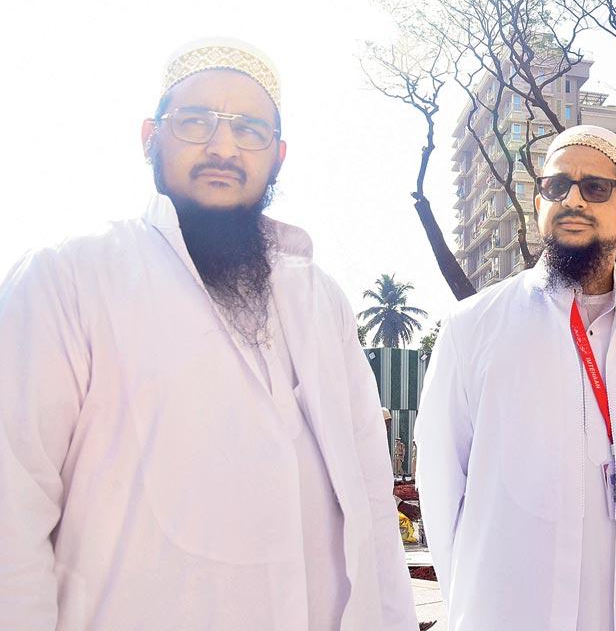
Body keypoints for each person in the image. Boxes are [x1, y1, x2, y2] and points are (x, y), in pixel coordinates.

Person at [0, 39, 417, 629]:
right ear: (151, 137)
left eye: (249, 130)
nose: (223, 147)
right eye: (195, 122)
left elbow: (373, 509)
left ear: (278, 156)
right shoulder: (71, 276)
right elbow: (10, 510)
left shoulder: (321, 300)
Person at [415, 124, 616, 631]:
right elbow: (441, 488)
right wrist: (470, 602)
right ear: (538, 206)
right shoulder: (472, 329)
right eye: (556, 187)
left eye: (595, 188)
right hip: (510, 610)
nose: (574, 199)